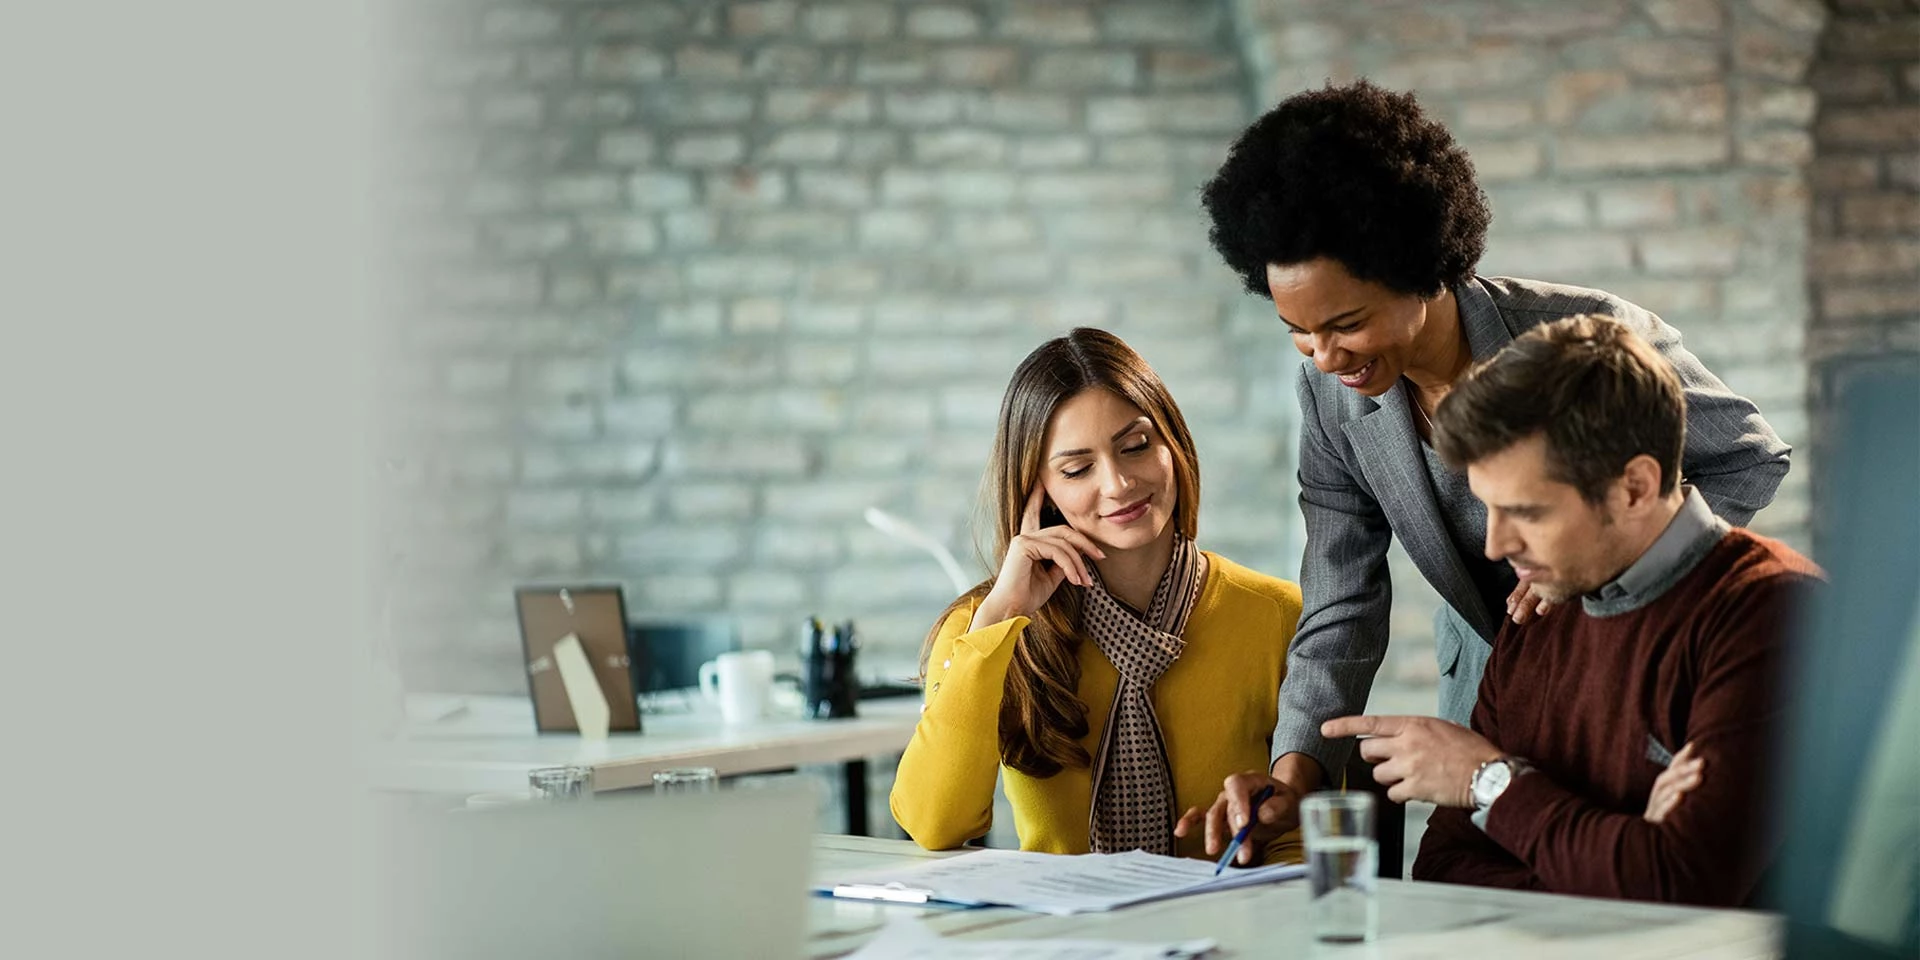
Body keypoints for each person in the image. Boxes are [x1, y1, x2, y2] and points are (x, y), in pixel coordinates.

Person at [1185, 79, 1791, 860]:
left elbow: (1750, 456)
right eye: (1297, 331)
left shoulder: (1585, 340)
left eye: (1347, 323)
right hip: (1489, 690)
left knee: (1615, 872)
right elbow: (1341, 598)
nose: (1325, 356)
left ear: (1422, 270)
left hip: (1624, 676)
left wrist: (1602, 572)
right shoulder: (1330, 398)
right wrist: (1295, 774)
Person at [1318, 315, 1822, 905]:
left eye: (1527, 513)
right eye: (1489, 508)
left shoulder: (1775, 614)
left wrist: (1489, 781)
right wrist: (1623, 850)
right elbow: (1443, 869)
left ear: (1635, 487)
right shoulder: (1537, 611)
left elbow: (1679, 890)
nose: (1495, 546)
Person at [889, 328, 1306, 865]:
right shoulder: (985, 627)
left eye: (1136, 446)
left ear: (1173, 444)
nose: (1118, 483)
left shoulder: (1276, 614)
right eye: (1077, 469)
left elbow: (1308, 830)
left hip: (1231, 908)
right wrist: (1001, 617)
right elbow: (934, 823)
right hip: (1059, 917)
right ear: (1039, 491)